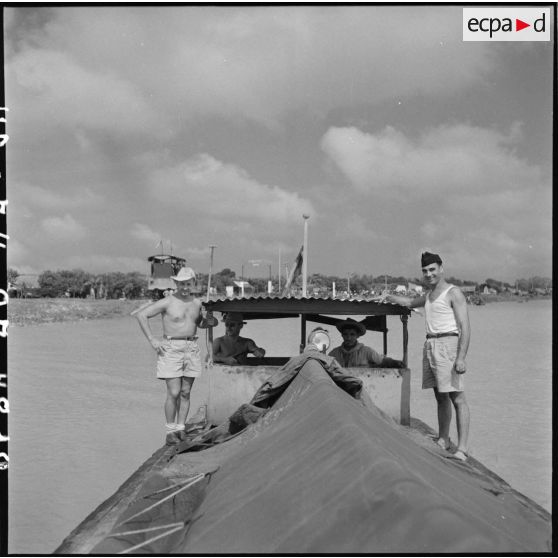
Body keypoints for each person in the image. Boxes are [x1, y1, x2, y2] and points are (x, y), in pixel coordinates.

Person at [385, 252, 471, 461]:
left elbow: (465, 327)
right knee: (440, 396)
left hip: (448, 344)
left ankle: (463, 449)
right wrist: (388, 297)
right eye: (425, 271)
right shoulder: (430, 294)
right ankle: (444, 438)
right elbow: (410, 302)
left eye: (432, 269)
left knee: (457, 397)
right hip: (431, 344)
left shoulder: (453, 292)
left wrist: (460, 358)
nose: (429, 274)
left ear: (441, 268)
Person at [135, 266, 216, 433]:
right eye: (181, 284)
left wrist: (209, 320)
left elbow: (200, 324)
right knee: (174, 392)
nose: (185, 287)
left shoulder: (197, 303)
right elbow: (141, 315)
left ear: (193, 283)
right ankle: (170, 430)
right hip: (171, 349)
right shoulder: (167, 302)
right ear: (176, 283)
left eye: (188, 284)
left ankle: (181, 428)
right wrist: (153, 340)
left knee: (186, 392)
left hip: (191, 347)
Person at [328, 318, 404, 368]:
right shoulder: (334, 354)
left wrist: (395, 363)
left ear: (358, 335)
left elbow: (382, 361)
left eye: (352, 334)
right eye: (345, 334)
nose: (348, 338)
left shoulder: (367, 351)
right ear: (342, 335)